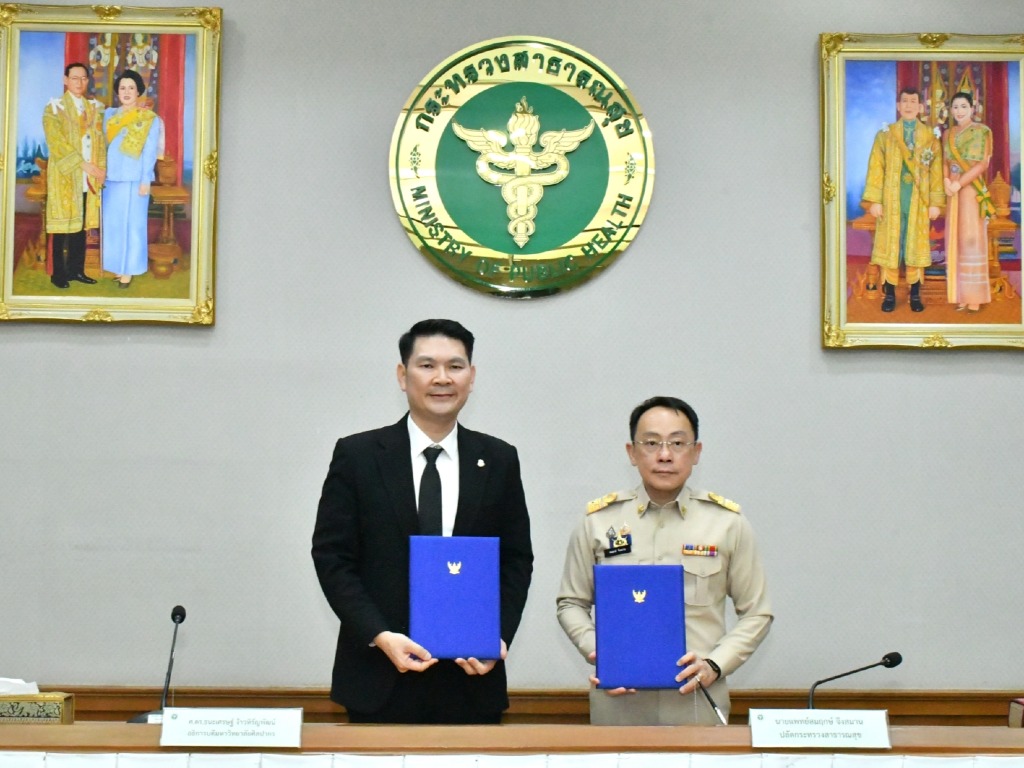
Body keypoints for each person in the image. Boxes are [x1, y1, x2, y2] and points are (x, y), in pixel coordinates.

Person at [312, 319, 534, 724]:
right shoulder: (358, 455)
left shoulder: (499, 460)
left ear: (472, 376)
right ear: (402, 375)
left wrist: (495, 637)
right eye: (427, 365)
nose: (442, 378)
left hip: (472, 680)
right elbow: (333, 558)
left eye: (455, 366)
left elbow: (516, 561)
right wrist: (380, 636)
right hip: (378, 678)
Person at [556, 396, 772, 725]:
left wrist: (714, 665)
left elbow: (757, 612)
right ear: (632, 452)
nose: (665, 455)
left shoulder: (727, 523)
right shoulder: (599, 522)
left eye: (677, 443)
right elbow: (571, 602)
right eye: (651, 443)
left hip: (697, 699)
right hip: (619, 700)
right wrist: (601, 654)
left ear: (696, 452)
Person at [863, 87, 945, 312]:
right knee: (892, 245)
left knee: (915, 246)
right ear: (898, 106)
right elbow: (876, 168)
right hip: (891, 200)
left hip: (919, 201)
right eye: (905, 101)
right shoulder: (886, 135)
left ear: (920, 107)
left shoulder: (930, 136)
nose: (909, 105)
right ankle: (889, 293)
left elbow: (937, 171)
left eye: (913, 101)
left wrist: (936, 202)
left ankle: (915, 294)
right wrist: (875, 201)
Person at [42, 62, 106, 289]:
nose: (79, 83)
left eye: (83, 78)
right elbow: (56, 142)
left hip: (87, 179)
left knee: (81, 227)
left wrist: (99, 169)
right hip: (65, 175)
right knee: (62, 228)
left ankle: (77, 270)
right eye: (75, 78)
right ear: (65, 80)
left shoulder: (95, 108)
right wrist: (82, 165)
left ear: (88, 81)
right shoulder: (54, 107)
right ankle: (59, 274)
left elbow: (101, 141)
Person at [102, 70, 162, 288]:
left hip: (135, 179)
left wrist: (146, 180)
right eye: (122, 88)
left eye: (131, 88)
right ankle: (117, 266)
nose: (126, 92)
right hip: (110, 179)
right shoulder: (109, 115)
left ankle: (130, 269)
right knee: (114, 224)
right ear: (118, 92)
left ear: (138, 92)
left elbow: (149, 152)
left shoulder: (149, 119)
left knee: (133, 225)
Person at [943, 91, 993, 313]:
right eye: (955, 107)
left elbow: (981, 164)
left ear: (972, 108)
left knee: (971, 239)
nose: (959, 111)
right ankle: (960, 294)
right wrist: (946, 179)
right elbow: (945, 160)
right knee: (955, 239)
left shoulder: (982, 131)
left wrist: (959, 183)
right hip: (952, 189)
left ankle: (975, 296)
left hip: (970, 188)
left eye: (963, 106)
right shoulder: (947, 134)